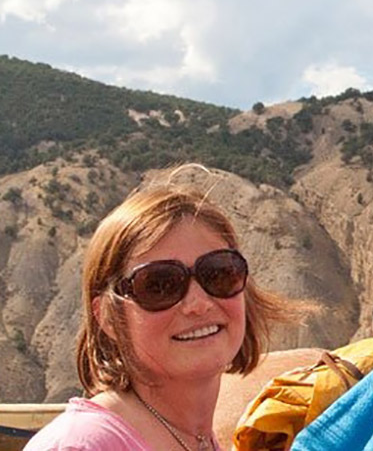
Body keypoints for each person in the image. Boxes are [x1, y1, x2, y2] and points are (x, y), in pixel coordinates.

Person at [24, 184, 292, 451]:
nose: (198, 304)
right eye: (159, 285)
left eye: (218, 273)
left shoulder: (198, 440)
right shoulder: (82, 446)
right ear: (107, 316)